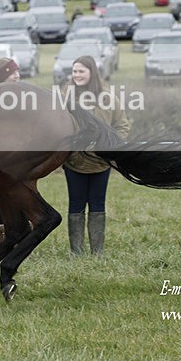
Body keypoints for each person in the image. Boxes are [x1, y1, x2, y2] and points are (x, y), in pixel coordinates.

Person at [62, 55, 130, 256]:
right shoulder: (65, 98)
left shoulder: (108, 98)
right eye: (74, 71)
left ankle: (97, 251)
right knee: (76, 203)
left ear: (92, 72)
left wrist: (111, 147)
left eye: (81, 71)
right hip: (74, 161)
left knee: (97, 203)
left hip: (101, 161)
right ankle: (76, 251)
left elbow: (122, 125)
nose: (77, 75)